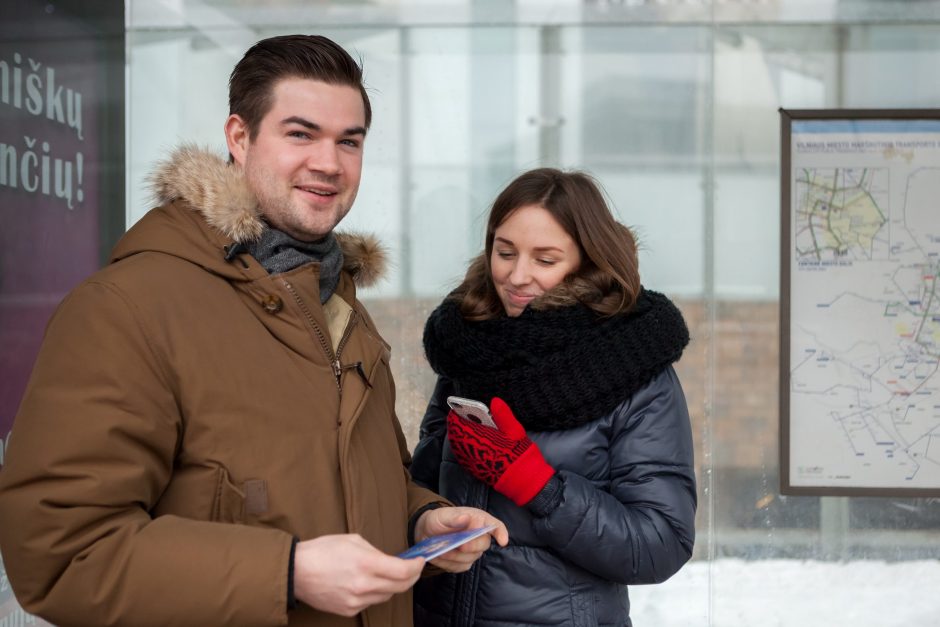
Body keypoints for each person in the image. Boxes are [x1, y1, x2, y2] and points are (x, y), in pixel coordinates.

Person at [0, 34, 507, 627]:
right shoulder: (126, 309)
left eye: (350, 141)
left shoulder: (340, 306)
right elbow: (62, 555)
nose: (329, 163)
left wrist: (420, 518)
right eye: (301, 134)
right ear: (239, 138)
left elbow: (351, 481)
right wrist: (286, 573)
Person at [409, 168, 697, 626]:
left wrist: (540, 488)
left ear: (587, 261)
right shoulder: (472, 347)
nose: (517, 276)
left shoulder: (634, 366)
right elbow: (421, 486)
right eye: (505, 253)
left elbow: (661, 544)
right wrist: (426, 521)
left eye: (545, 260)